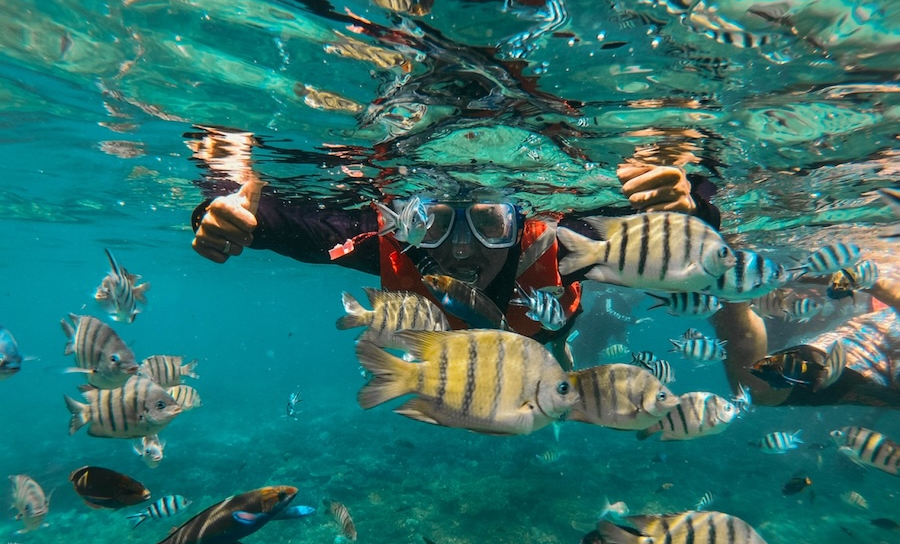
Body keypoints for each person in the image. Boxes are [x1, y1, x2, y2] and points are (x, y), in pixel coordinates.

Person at [191, 165, 718, 364]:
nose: (461, 248)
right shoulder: (391, 243)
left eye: (490, 224)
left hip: (546, 330)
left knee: (554, 341)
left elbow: (677, 241)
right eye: (437, 223)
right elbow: (280, 222)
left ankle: (562, 348)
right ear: (413, 223)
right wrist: (227, 210)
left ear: (519, 221)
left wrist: (687, 206)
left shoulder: (556, 247)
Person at [713, 272, 900, 409]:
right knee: (757, 386)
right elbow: (881, 284)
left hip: (875, 387)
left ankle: (722, 291)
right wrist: (800, 274)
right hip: (865, 350)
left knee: (756, 388)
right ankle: (728, 281)